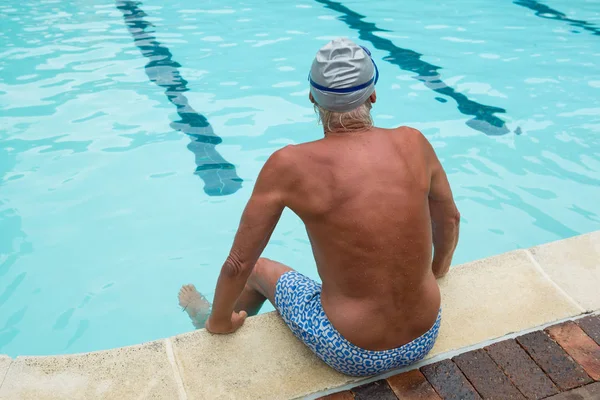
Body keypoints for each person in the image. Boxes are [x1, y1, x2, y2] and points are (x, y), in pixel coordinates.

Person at [178, 37, 460, 377]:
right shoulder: (414, 142)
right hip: (425, 334)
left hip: (351, 350)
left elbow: (238, 263)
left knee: (258, 270)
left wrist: (220, 322)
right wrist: (437, 272)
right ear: (372, 94)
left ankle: (209, 317)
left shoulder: (289, 165)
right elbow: (449, 219)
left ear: (313, 98)